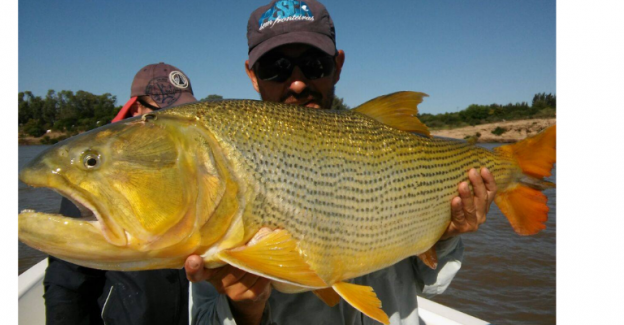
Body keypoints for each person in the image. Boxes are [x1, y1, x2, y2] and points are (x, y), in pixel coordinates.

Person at [185, 1, 497, 325]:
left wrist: (445, 234)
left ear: (338, 65)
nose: (296, 82)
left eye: (314, 64)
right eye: (275, 67)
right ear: (252, 75)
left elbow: (432, 284)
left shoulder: (385, 147)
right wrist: (245, 310)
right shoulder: (218, 173)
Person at [43, 62, 197, 325]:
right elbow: (68, 282)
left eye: (182, 112)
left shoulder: (195, 163)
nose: (174, 123)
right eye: (163, 113)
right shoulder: (94, 175)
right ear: (138, 109)